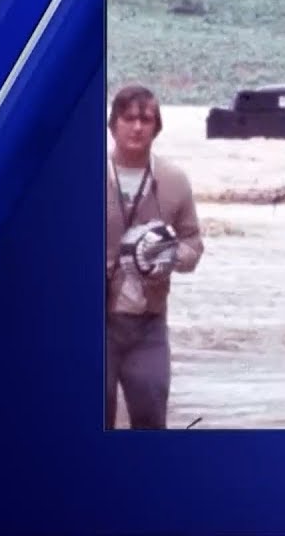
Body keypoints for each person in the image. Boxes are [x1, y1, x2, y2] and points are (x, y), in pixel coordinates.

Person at [105, 84, 204, 429]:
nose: (137, 127)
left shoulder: (174, 181)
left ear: (156, 127)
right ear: (113, 125)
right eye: (128, 118)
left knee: (150, 415)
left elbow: (193, 243)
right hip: (92, 319)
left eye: (146, 119)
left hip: (148, 323)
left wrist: (171, 256)